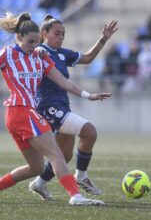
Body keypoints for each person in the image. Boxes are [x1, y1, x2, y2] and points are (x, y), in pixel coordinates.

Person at [0, 12, 112, 206]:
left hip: (19, 115)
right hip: (21, 111)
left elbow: (64, 82)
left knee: (36, 167)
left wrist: (88, 95)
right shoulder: (8, 53)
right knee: (57, 155)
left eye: (36, 42)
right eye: (30, 42)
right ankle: (75, 195)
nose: (34, 46)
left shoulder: (40, 57)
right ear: (18, 38)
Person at [28, 15, 118, 201]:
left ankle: (39, 184)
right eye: (57, 33)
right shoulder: (40, 51)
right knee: (89, 131)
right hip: (48, 107)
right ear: (43, 33)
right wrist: (36, 49)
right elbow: (32, 52)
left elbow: (88, 58)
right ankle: (82, 177)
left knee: (64, 155)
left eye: (63, 33)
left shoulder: (62, 53)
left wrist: (104, 39)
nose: (61, 37)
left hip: (62, 106)